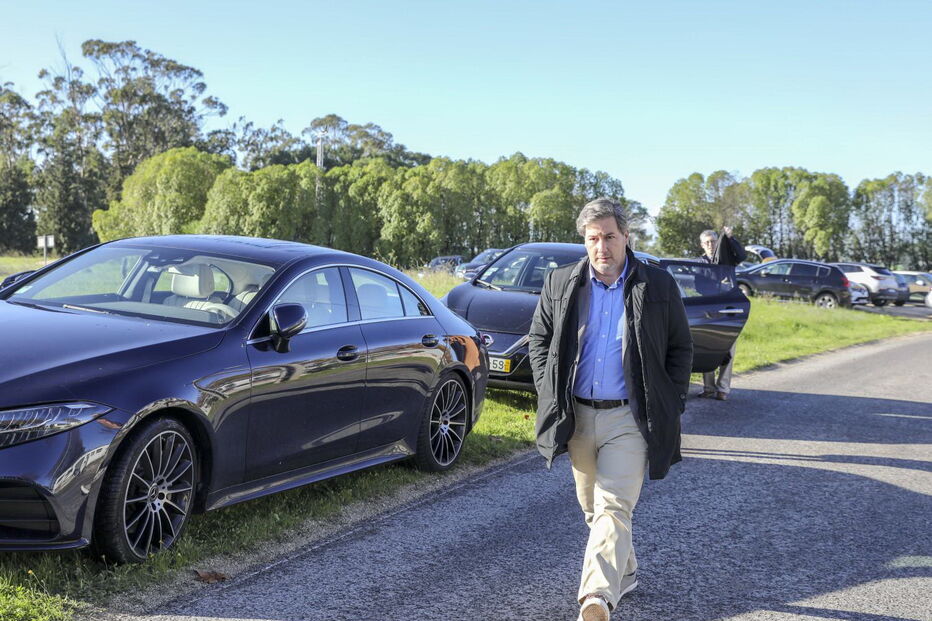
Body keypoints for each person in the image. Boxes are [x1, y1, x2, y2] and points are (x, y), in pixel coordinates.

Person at [528, 198, 693, 621]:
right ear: (584, 241)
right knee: (593, 509)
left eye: (610, 237)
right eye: (593, 238)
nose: (602, 247)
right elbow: (540, 340)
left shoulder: (657, 284)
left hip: (629, 417)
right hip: (578, 415)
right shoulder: (562, 281)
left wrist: (671, 400)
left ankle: (596, 597)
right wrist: (549, 389)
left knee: (614, 505)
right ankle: (627, 570)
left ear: (626, 237)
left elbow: (680, 348)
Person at [698, 228, 746, 401]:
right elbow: (698, 286)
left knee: (728, 349)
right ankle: (708, 388)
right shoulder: (699, 264)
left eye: (713, 241)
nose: (710, 245)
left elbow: (742, 256)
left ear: (717, 242)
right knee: (707, 348)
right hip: (708, 310)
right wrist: (716, 286)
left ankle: (723, 389)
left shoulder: (728, 258)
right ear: (702, 245)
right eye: (707, 242)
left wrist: (731, 238)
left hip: (728, 309)